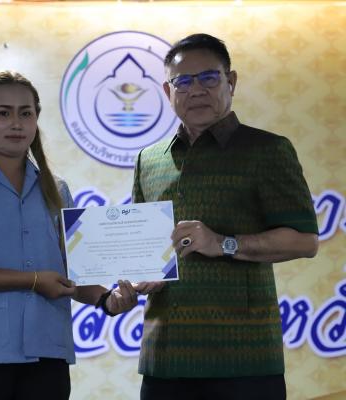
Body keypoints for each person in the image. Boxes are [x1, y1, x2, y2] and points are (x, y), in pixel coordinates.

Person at [132, 34, 319, 400]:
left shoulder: (268, 150)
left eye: (208, 78)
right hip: (164, 358)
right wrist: (139, 275)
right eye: (183, 82)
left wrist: (223, 243)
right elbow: (144, 249)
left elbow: (305, 241)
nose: (196, 90)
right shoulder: (148, 159)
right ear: (168, 91)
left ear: (230, 81)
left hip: (244, 360)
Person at [0, 71, 137, 400]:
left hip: (48, 354)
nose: (16, 123)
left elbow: (74, 274)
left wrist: (107, 300)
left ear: (36, 120)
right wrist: (32, 280)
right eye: (3, 113)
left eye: (26, 113)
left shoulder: (57, 189)